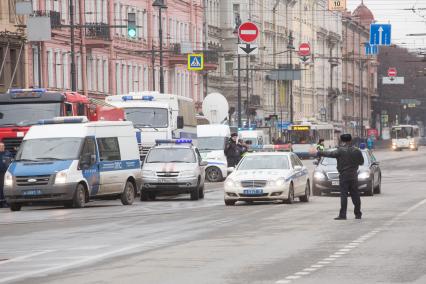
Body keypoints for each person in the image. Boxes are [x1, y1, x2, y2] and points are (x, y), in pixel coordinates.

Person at [317, 134, 364, 220]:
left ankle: (343, 215)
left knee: (344, 195)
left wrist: (319, 152)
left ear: (342, 141)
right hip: (353, 175)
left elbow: (329, 153)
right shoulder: (357, 151)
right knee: (355, 195)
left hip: (344, 175)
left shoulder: (340, 151)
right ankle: (358, 214)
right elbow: (361, 162)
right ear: (351, 140)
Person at [0, 142, 12, 208]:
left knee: (5, 187)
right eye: (0, 146)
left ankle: (5, 202)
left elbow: (11, 161)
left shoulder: (8, 153)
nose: (2, 147)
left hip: (6, 173)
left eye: (3, 146)